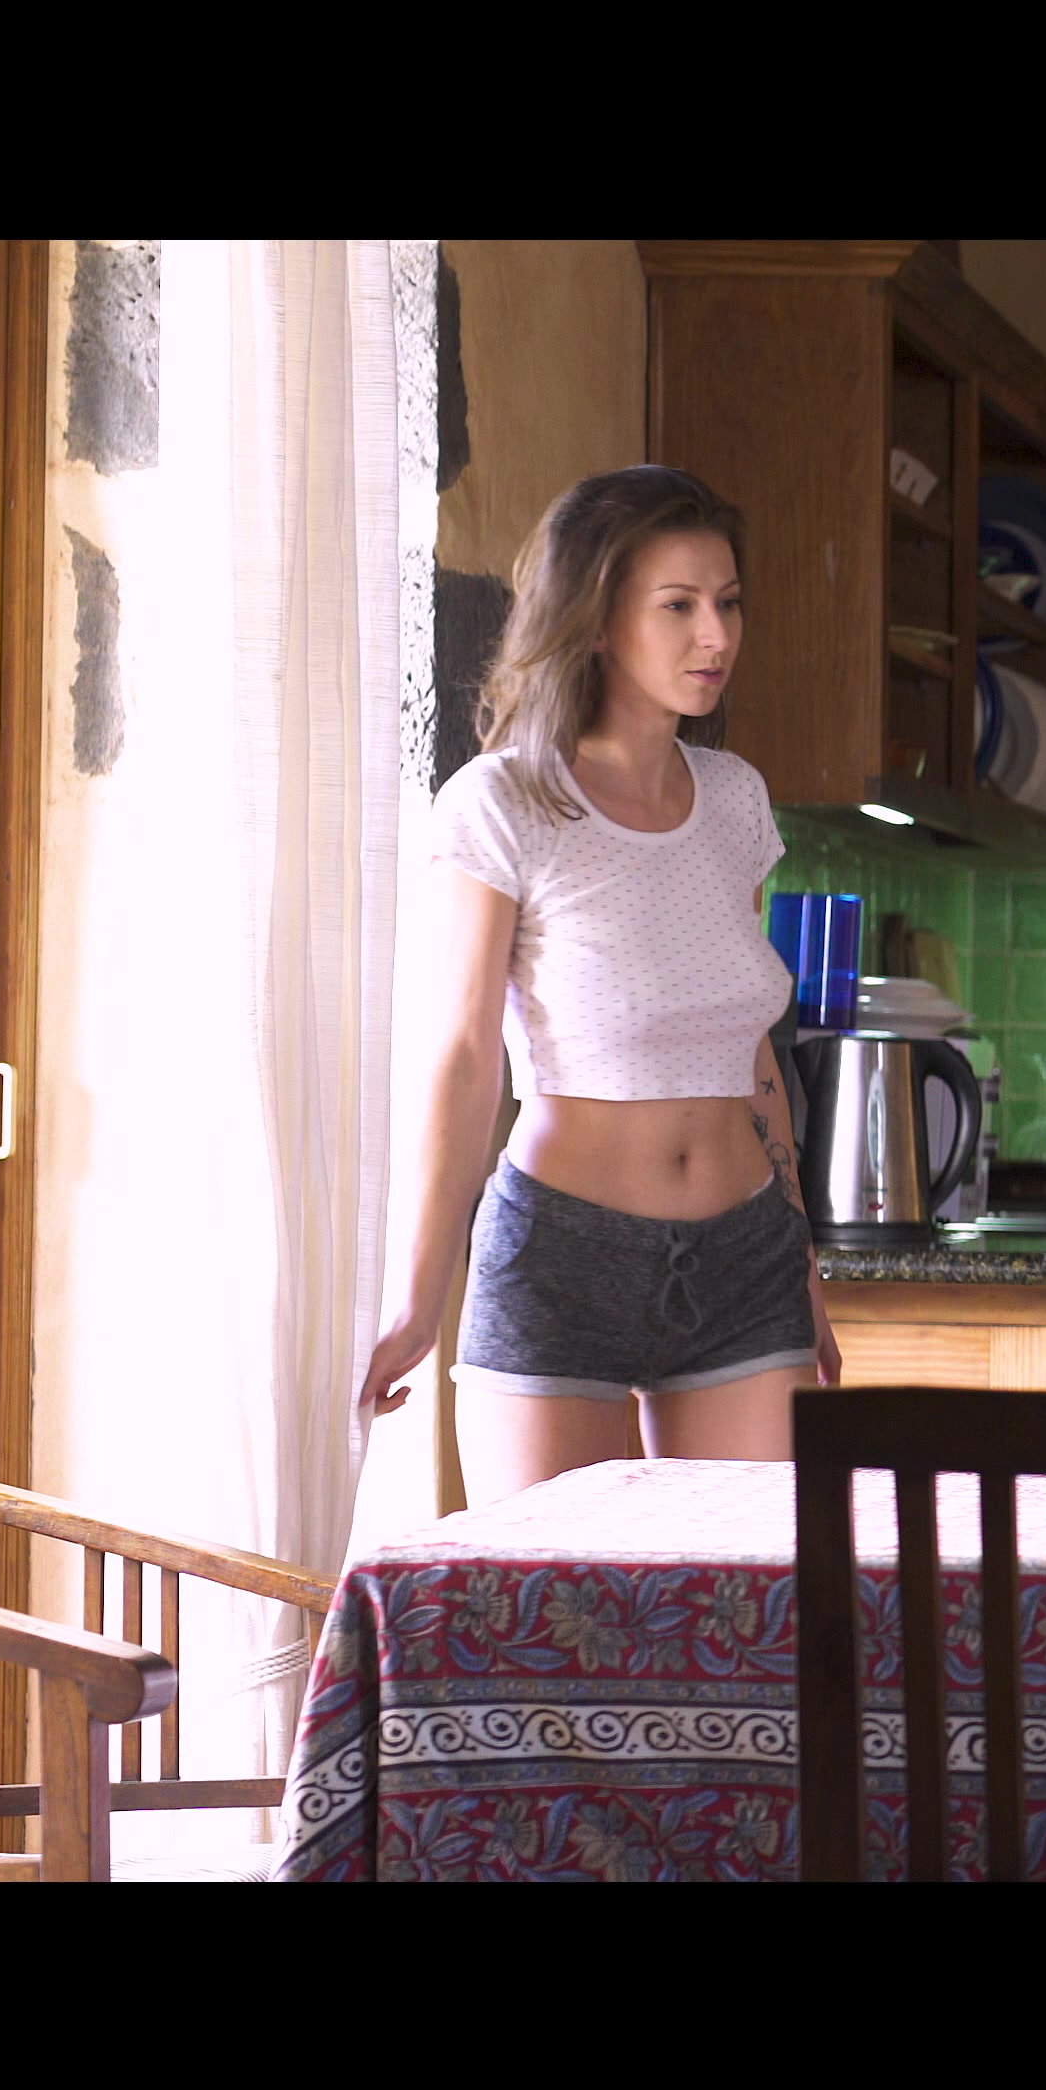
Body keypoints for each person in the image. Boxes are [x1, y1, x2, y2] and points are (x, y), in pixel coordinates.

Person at [359, 466, 837, 1502]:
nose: (715, 635)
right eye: (678, 606)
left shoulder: (736, 801)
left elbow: (750, 1054)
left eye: (728, 603)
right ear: (597, 622)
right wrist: (417, 1295)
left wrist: (798, 1263)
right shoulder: (503, 805)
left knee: (757, 1588)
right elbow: (464, 1058)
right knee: (554, 1594)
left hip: (745, 1260)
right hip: (562, 1258)